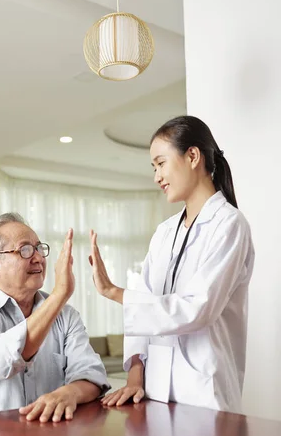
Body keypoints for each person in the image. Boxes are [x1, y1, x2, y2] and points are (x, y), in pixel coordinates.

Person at [89, 115, 254, 413]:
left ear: (192, 156)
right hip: (154, 393)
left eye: (161, 163)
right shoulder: (165, 232)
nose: (156, 176)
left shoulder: (229, 225)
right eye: (154, 167)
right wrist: (135, 375)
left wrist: (115, 292)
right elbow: (145, 304)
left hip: (205, 393)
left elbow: (198, 309)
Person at [0, 213, 109, 421]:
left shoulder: (66, 316)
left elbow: (92, 375)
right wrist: (60, 294)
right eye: (25, 250)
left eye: (39, 248)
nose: (39, 258)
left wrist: (68, 393)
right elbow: (1, 361)